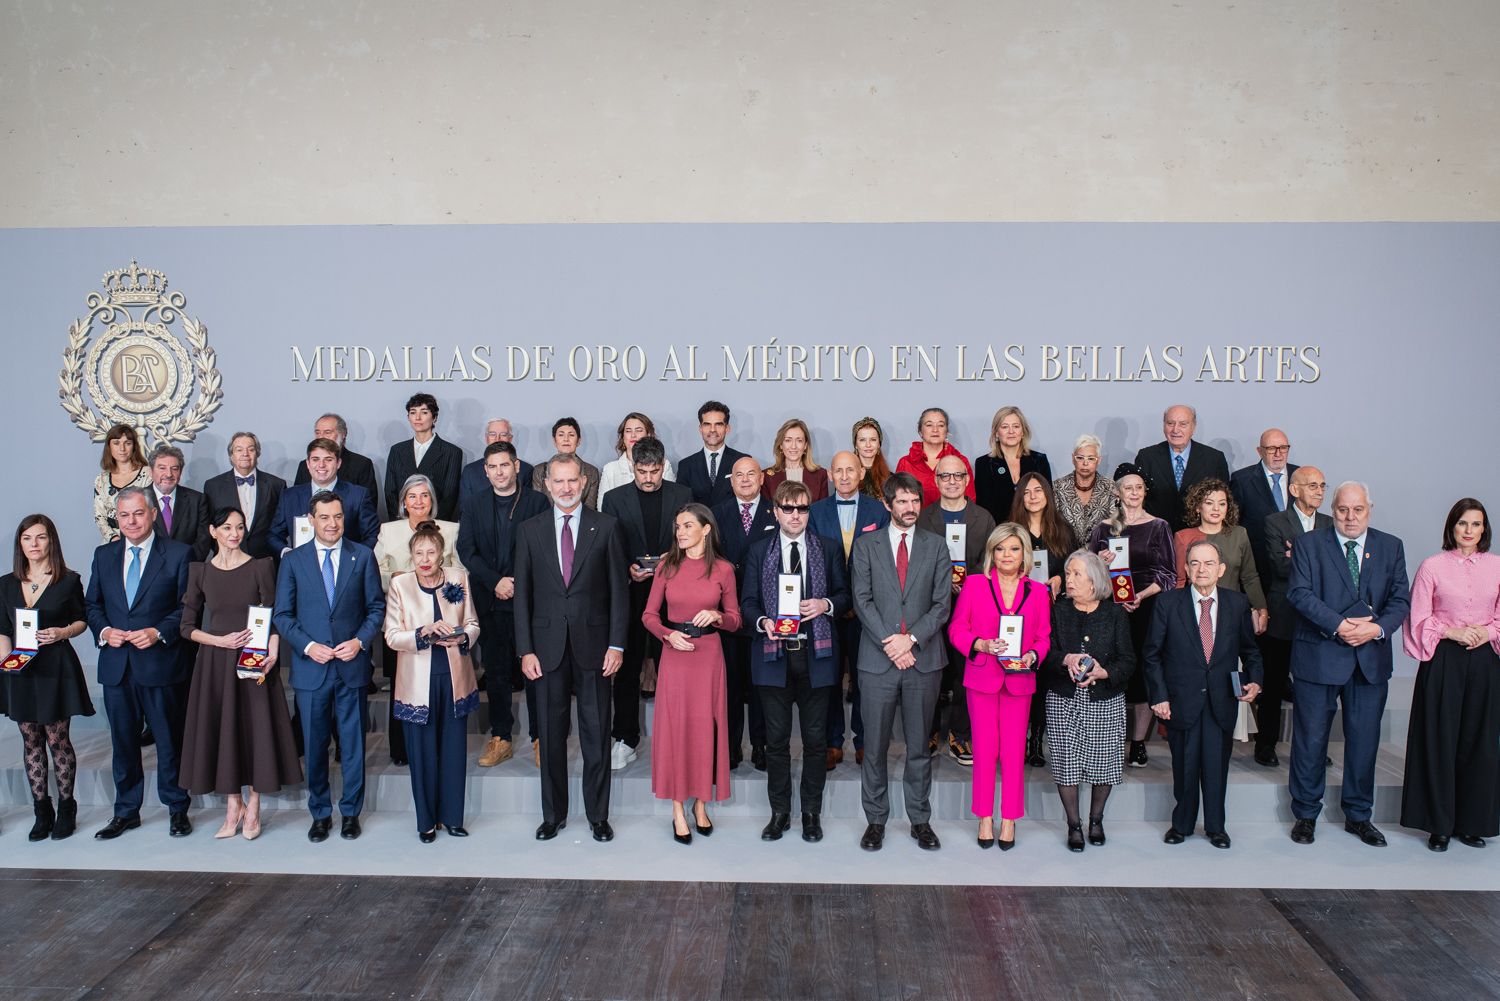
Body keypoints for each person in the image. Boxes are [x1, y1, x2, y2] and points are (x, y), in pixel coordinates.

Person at [1287, 481, 1410, 848]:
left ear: (1369, 509)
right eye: (1343, 510)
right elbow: (1299, 593)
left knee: (1364, 742)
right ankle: (1306, 815)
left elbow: (1401, 600)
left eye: (1358, 510)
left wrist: (1375, 628)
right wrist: (1340, 626)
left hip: (1369, 660)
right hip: (1319, 657)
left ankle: (1359, 816)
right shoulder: (1310, 544)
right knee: (1310, 741)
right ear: (1333, 509)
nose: (1350, 517)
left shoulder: (1391, 546)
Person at [514, 453, 629, 843]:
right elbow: (522, 598)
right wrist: (525, 650)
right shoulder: (529, 531)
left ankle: (598, 816)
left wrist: (617, 644)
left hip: (596, 649)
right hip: (545, 651)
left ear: (584, 483)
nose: (565, 488)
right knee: (550, 735)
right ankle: (553, 815)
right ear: (547, 484)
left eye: (572, 481)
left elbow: (619, 593)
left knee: (596, 734)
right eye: (558, 482)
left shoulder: (607, 527)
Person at [178, 507, 301, 841]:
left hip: (254, 659)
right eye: (227, 527)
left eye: (240, 527)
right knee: (224, 731)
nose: (234, 533)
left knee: (255, 730)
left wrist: (273, 652)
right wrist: (218, 640)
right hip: (215, 664)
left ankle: (255, 805)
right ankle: (234, 806)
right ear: (214, 531)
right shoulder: (200, 571)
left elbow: (274, 615)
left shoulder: (261, 567)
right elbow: (186, 627)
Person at [272, 490, 386, 843]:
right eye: (325, 517)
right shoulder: (293, 561)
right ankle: (320, 814)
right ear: (311, 520)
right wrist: (307, 646)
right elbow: (283, 615)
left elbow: (376, 609)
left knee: (353, 746)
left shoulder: (363, 557)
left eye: (337, 517)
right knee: (316, 744)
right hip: (311, 669)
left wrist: (359, 642)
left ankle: (351, 813)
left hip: (351, 667)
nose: (332, 523)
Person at [740, 479, 849, 843]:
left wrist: (826, 605)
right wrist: (763, 622)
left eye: (802, 508)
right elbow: (747, 602)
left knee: (816, 741)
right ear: (776, 511)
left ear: (809, 511)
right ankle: (780, 814)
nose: (796, 515)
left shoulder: (828, 549)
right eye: (788, 508)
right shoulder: (758, 551)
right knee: (776, 742)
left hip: (816, 656)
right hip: (772, 657)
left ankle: (811, 814)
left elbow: (845, 595)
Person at [83, 487, 194, 839]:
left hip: (161, 663)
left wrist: (159, 633)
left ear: (152, 514)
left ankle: (177, 808)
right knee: (124, 744)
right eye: (125, 515)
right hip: (117, 665)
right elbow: (93, 605)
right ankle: (126, 811)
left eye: (138, 514)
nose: (131, 521)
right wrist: (104, 632)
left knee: (168, 742)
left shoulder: (178, 554)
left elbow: (187, 608)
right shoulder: (104, 555)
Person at [851, 472, 953, 851]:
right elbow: (862, 600)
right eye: (904, 501)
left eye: (915, 501)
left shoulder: (937, 546)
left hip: (923, 660)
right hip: (877, 661)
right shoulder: (866, 546)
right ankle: (875, 820)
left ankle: (920, 820)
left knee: (918, 748)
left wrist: (909, 640)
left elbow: (942, 604)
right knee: (874, 747)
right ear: (888, 504)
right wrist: (890, 643)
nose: (911, 508)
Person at [1145, 539, 1264, 849]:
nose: (1201, 569)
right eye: (1194, 563)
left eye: (1208, 563)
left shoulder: (1237, 604)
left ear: (1221, 569)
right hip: (1180, 701)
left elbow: (1251, 652)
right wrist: (1159, 696)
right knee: (1183, 768)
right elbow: (1152, 655)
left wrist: (1255, 681)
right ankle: (1181, 825)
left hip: (1221, 700)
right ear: (1186, 568)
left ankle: (1216, 827)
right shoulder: (1168, 603)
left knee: (1216, 768)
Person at [1401, 499, 1500, 852]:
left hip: (1486, 659)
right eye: (1463, 524)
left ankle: (1472, 823)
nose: (1469, 531)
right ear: (1452, 527)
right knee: (1439, 740)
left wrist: (1487, 633)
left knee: (1480, 742)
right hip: (1444, 659)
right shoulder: (1432, 566)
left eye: (1476, 524)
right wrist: (1452, 632)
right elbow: (1418, 616)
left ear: (1484, 529)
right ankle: (1438, 825)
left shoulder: (1497, 567)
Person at [642, 503, 743, 843]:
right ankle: (676, 810)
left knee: (706, 730)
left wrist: (717, 617)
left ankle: (701, 804)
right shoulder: (666, 567)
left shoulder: (725, 570)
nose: (680, 532)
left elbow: (735, 619)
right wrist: (668, 635)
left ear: (706, 529)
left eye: (687, 525)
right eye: (678, 526)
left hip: (709, 656)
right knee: (675, 730)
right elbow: (649, 615)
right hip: (675, 654)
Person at [948, 522, 1053, 851]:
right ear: (992, 554)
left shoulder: (1037, 592)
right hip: (982, 679)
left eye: (1014, 549)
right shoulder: (976, 586)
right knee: (984, 751)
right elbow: (956, 630)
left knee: (1012, 752)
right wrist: (979, 644)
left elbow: (1043, 637)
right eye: (1001, 549)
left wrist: (1035, 653)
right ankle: (983, 816)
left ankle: (1009, 818)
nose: (1007, 555)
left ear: (1025, 554)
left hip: (1019, 680)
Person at [384, 522, 481, 841]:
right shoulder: (401, 585)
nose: (425, 559)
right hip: (417, 683)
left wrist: (464, 636)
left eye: (431, 552)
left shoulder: (458, 578)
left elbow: (472, 623)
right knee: (423, 754)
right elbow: (392, 636)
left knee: (454, 752)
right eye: (418, 553)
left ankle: (453, 818)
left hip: (454, 678)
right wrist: (421, 632)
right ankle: (426, 820)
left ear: (442, 554)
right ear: (411, 556)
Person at [0, 515, 95, 840]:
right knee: (31, 741)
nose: (34, 544)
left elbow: (82, 620)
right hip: (20, 672)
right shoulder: (6, 583)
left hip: (55, 667)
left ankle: (67, 807)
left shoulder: (68, 580)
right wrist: (6, 661)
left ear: (51, 541)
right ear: (20, 544)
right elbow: (2, 630)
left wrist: (62, 632)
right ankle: (43, 810)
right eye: (27, 538)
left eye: (41, 538)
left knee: (57, 739)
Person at [602, 436, 693, 769]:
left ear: (663, 466)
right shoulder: (613, 499)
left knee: (675, 669)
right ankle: (625, 739)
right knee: (626, 669)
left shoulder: (682, 495)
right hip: (632, 593)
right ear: (632, 467)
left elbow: (694, 538)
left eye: (655, 471)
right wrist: (628, 566)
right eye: (642, 471)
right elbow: (609, 544)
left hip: (674, 595)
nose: (649, 478)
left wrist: (676, 557)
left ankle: (678, 738)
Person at [458, 441, 549, 769]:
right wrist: (495, 581)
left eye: (504, 465)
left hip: (530, 603)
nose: (499, 472)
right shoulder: (474, 504)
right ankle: (502, 738)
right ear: (486, 471)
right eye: (493, 467)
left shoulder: (537, 502)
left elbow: (544, 550)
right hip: (490, 601)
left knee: (535, 674)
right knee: (496, 674)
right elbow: (466, 550)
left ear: (517, 467)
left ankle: (541, 738)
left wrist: (515, 583)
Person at [1039, 551, 1134, 852]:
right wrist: (1065, 659)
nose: (1070, 579)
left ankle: (1096, 820)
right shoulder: (1058, 611)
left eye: (1077, 574)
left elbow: (1128, 660)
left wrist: (1105, 673)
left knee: (1103, 763)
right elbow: (1045, 653)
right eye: (1068, 573)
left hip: (1104, 699)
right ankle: (1074, 825)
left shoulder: (1115, 613)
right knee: (1066, 764)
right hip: (1063, 699)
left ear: (1095, 580)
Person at [1086, 463, 1176, 768]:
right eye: (1128, 487)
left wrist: (1141, 595)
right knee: (1110, 672)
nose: (1134, 493)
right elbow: (1088, 576)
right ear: (1116, 491)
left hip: (1147, 609)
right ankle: (1108, 741)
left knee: (1142, 676)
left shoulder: (1159, 526)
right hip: (1110, 610)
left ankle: (1138, 743)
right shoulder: (1102, 528)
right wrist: (1098, 561)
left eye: (1139, 487)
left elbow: (1168, 574)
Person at [374, 474, 465, 765]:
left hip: (442, 618)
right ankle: (402, 749)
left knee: (441, 685)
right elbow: (375, 569)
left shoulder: (449, 530)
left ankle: (438, 746)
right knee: (402, 681)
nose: (418, 502)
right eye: (412, 496)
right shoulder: (389, 530)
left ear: (432, 501)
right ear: (403, 501)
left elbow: (460, 571)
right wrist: (399, 578)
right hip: (402, 618)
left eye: (424, 495)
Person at [1172, 478, 1269, 745]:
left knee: (1229, 672)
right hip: (1195, 617)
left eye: (1222, 503)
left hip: (1231, 617)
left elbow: (1249, 577)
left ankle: (1224, 734)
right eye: (1209, 503)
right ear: (1197, 507)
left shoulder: (1239, 534)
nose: (1216, 508)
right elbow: (1181, 580)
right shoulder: (1184, 536)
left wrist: (1260, 608)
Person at [809, 450, 889, 769]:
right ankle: (831, 742)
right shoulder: (815, 512)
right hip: (826, 610)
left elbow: (882, 563)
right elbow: (813, 561)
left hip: (866, 612)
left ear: (860, 474)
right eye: (838, 471)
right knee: (828, 678)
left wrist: (862, 604)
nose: (844, 476)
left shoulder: (877, 512)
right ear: (829, 474)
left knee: (863, 679)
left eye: (850, 470)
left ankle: (864, 741)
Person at [915, 455, 995, 767]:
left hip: (971, 610)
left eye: (958, 475)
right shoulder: (925, 518)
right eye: (945, 476)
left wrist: (969, 583)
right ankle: (931, 731)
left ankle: (960, 734)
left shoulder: (983, 518)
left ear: (967, 479)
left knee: (965, 675)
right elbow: (919, 562)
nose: (951, 481)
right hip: (932, 609)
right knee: (932, 674)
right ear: (935, 481)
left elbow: (990, 561)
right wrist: (943, 580)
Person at [1258, 466, 1331, 766]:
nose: (1319, 491)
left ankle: (1313, 748)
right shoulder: (1275, 522)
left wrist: (1298, 553)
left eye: (1322, 486)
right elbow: (1280, 567)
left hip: (1319, 618)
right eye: (1312, 485)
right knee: (1274, 685)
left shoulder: (1330, 523)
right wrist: (1316, 559)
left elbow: (1335, 571)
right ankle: (1266, 745)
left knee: (1313, 689)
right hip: (1284, 614)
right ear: (1294, 490)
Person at [1010, 471, 1078, 766]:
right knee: (1020, 673)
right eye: (1027, 492)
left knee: (1045, 676)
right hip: (1018, 613)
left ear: (1048, 495)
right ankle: (1017, 738)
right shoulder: (1011, 532)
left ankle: (1037, 740)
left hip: (1053, 613)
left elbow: (1075, 566)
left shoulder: (1063, 530)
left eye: (1038, 490)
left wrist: (1061, 578)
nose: (1033, 496)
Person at [711, 456, 775, 770]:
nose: (746, 479)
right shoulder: (717, 513)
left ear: (762, 478)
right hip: (728, 610)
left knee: (761, 686)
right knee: (730, 685)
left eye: (752, 474)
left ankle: (761, 745)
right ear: (731, 480)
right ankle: (731, 747)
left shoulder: (775, 511)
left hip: (765, 612)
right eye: (739, 475)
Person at [269, 438, 381, 552]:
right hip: (301, 566)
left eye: (328, 459)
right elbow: (274, 535)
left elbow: (373, 535)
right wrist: (287, 553)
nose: (321, 465)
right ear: (308, 464)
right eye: (315, 459)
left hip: (346, 567)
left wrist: (356, 558)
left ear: (338, 463)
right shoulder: (289, 497)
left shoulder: (358, 495)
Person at [1133, 405, 1231, 532]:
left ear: (1193, 427)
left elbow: (1224, 500)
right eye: (1170, 423)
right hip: (1156, 534)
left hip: (1200, 536)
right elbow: (1138, 500)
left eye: (1183, 424)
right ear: (1164, 426)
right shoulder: (1146, 457)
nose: (1175, 429)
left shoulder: (1214, 459)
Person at [1229, 428, 1297, 588]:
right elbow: (1234, 523)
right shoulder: (1242, 480)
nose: (1278, 454)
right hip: (1258, 564)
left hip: (1295, 563)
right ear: (1260, 451)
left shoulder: (1300, 475)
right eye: (1271, 448)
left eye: (1283, 448)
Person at [203, 432, 287, 561]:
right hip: (227, 561)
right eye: (239, 450)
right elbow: (208, 526)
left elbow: (281, 526)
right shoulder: (213, 486)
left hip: (266, 561)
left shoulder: (276, 485)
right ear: (231, 455)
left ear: (257, 453)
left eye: (251, 449)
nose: (245, 454)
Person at [384, 393, 464, 522]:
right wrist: (402, 521)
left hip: (436, 525)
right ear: (408, 417)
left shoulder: (451, 452)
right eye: (413, 412)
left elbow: (450, 496)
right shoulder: (397, 450)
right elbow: (390, 492)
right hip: (403, 523)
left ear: (435, 417)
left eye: (424, 412)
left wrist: (430, 525)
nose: (418, 417)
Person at [975, 406, 1052, 526]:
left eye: (1016, 426)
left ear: (1023, 432)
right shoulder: (984, 464)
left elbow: (1048, 500)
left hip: (1036, 529)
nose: (1011, 431)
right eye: (1005, 427)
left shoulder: (1039, 460)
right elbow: (984, 507)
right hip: (999, 531)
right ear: (996, 433)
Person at [295, 413, 381, 517]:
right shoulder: (304, 466)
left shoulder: (361, 464)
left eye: (327, 432)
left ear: (343, 434)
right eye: (317, 433)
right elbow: (297, 504)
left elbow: (368, 508)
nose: (321, 437)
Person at [895, 407, 975, 507]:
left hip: (952, 521)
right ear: (920, 431)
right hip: (916, 521)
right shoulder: (905, 463)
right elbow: (899, 501)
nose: (935, 430)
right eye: (929, 425)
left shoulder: (960, 461)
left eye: (941, 425)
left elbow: (970, 500)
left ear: (946, 431)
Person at [677, 401, 748, 509]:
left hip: (732, 523)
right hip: (698, 524)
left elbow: (748, 500)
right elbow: (682, 506)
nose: (712, 430)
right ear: (700, 429)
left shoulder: (742, 460)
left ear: (727, 428)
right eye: (707, 424)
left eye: (718, 424)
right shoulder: (686, 466)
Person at [146, 445, 209, 558]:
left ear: (180, 472)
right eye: (162, 468)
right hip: (147, 569)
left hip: (187, 569)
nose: (169, 474)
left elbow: (203, 542)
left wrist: (184, 565)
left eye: (174, 468)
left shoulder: (197, 500)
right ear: (150, 471)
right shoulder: (137, 499)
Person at [92, 423, 151, 542]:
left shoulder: (148, 474)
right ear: (109, 446)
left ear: (134, 446)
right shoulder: (102, 479)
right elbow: (99, 516)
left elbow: (152, 511)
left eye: (127, 443)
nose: (122, 448)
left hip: (142, 539)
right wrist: (113, 538)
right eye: (116, 443)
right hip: (111, 542)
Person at [1053, 434, 1116, 544]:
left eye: (1091, 458)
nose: (1085, 463)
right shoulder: (1058, 487)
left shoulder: (1110, 488)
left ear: (1099, 460)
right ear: (1073, 458)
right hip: (1065, 555)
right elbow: (1052, 525)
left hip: (1101, 554)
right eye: (1080, 458)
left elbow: (1116, 525)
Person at [459, 418, 535, 506]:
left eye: (503, 434)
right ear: (486, 438)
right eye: (492, 434)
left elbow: (527, 506)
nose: (497, 439)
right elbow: (465, 507)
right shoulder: (470, 471)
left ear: (510, 439)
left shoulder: (526, 470)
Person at [599, 412, 677, 497]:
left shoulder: (665, 465)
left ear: (649, 434)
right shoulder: (610, 469)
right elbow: (603, 506)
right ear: (622, 437)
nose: (633, 435)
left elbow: (671, 498)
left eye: (639, 430)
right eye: (628, 431)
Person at [762, 418, 829, 504]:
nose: (793, 446)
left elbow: (822, 511)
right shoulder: (767, 477)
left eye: (799, 441)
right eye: (788, 440)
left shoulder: (820, 474)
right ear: (781, 445)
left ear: (805, 445)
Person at [852, 417, 893, 502]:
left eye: (873, 440)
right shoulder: (846, 476)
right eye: (862, 440)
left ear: (879, 444)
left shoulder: (891, 478)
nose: (868, 445)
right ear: (856, 444)